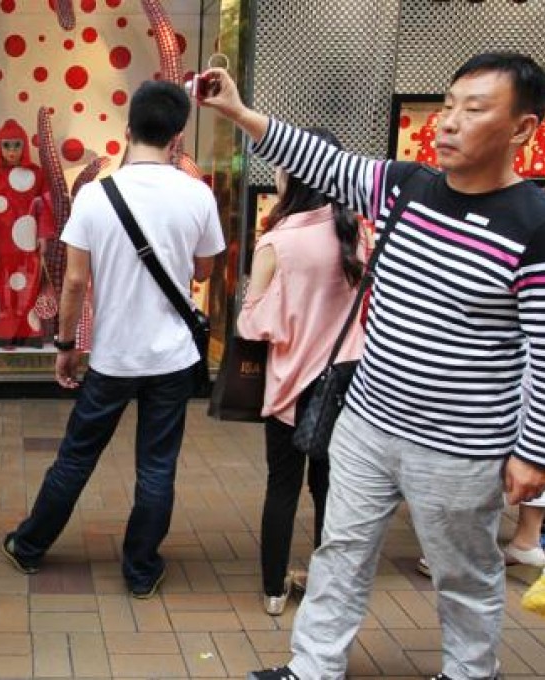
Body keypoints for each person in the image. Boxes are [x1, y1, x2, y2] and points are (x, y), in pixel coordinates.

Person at [199, 51, 545, 680]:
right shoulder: (404, 187)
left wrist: (532, 450)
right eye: (447, 106)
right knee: (341, 549)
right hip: (367, 422)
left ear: (522, 129)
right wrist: (239, 111)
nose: (448, 123)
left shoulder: (536, 226)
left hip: (462, 445)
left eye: (474, 109)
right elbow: (321, 160)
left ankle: (471, 673)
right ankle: (314, 667)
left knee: (463, 573)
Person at [0, 80, 225, 599]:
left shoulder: (97, 196)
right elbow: (205, 270)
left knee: (76, 456)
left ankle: (29, 546)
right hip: (171, 358)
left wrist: (65, 348)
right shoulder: (197, 194)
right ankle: (141, 569)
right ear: (177, 136)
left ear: (128, 131)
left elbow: (75, 281)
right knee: (157, 464)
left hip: (114, 356)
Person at [238, 127, 367, 617]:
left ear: (295, 171)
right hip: (349, 381)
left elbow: (254, 322)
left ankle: (274, 590)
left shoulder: (278, 241)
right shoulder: (356, 231)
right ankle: (326, 586)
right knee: (330, 487)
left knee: (283, 485)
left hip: (293, 385)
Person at [0, 118, 52, 347]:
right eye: (6, 145)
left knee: (28, 287)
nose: (12, 151)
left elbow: (45, 206)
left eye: (16, 145)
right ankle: (1, 331)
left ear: (24, 145)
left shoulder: (38, 175)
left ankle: (29, 332)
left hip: (27, 245)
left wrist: (44, 235)